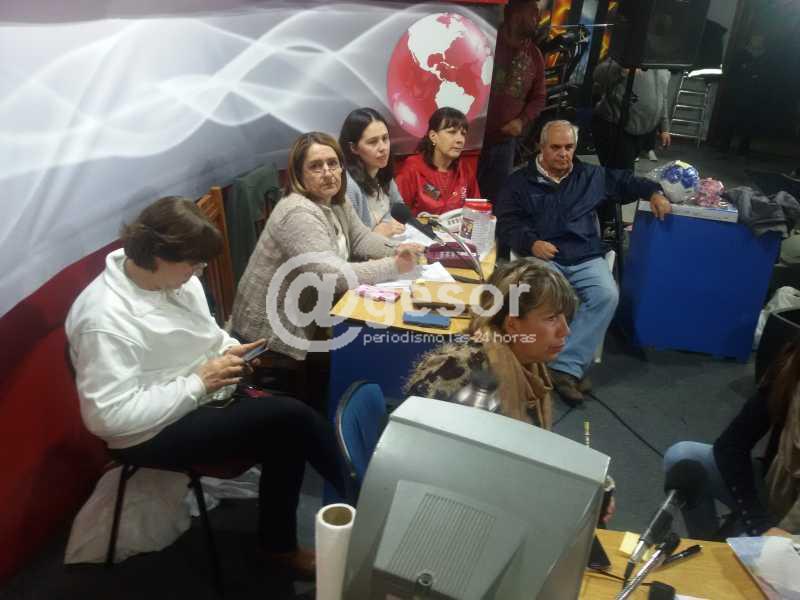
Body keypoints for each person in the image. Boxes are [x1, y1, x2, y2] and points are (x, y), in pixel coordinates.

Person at [65, 196, 346, 577]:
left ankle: (280, 545)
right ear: (157, 255)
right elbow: (109, 418)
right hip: (146, 433)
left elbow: (207, 335)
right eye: (193, 263)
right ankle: (361, 493)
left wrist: (229, 350)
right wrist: (199, 382)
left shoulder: (173, 280)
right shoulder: (104, 318)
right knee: (292, 418)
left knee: (288, 429)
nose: (199, 272)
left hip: (193, 395)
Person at [405, 258, 616, 523]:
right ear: (513, 325)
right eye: (552, 318)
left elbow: (525, 457)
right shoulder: (467, 381)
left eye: (564, 317)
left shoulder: (526, 364)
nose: (566, 331)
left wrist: (584, 482)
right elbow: (468, 487)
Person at [495, 120, 672, 404]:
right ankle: (542, 364)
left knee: (607, 295)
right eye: (556, 147)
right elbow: (506, 223)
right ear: (541, 147)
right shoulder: (519, 182)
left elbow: (627, 181)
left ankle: (564, 368)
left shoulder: (591, 176)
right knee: (545, 297)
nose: (563, 154)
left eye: (569, 147)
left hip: (584, 255)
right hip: (543, 256)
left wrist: (654, 192)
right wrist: (531, 243)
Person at [232, 132, 421, 360]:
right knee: (373, 350)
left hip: (314, 313)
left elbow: (361, 238)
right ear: (299, 174)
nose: (328, 173)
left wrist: (397, 250)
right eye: (316, 166)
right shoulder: (297, 212)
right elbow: (332, 276)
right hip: (271, 336)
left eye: (332, 163)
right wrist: (394, 265)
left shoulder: (336, 199)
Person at [664, 337, 800, 541]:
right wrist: (758, 522)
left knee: (756, 555)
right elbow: (731, 445)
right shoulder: (791, 368)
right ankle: (706, 545)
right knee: (682, 456)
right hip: (775, 492)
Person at [477, 0, 546, 203]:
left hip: (504, 144)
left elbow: (539, 97)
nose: (538, 18)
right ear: (515, 13)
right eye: (533, 13)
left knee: (496, 200)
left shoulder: (535, 55)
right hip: (472, 140)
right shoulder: (485, 41)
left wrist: (521, 121)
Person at [395, 107, 480, 216]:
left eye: (463, 133)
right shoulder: (413, 167)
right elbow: (397, 213)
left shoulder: (464, 170)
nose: (460, 140)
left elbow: (476, 211)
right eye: (452, 132)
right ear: (433, 136)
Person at [592, 58, 671, 170]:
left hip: (641, 132)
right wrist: (621, 69)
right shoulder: (629, 55)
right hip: (616, 127)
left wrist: (664, 128)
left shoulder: (663, 65)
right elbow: (598, 75)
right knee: (622, 175)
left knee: (620, 176)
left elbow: (663, 98)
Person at [339, 107, 406, 236]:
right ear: (353, 148)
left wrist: (385, 226)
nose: (383, 148)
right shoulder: (349, 186)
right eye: (373, 142)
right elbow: (354, 240)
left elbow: (399, 207)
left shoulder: (381, 170)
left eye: (385, 138)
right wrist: (376, 234)